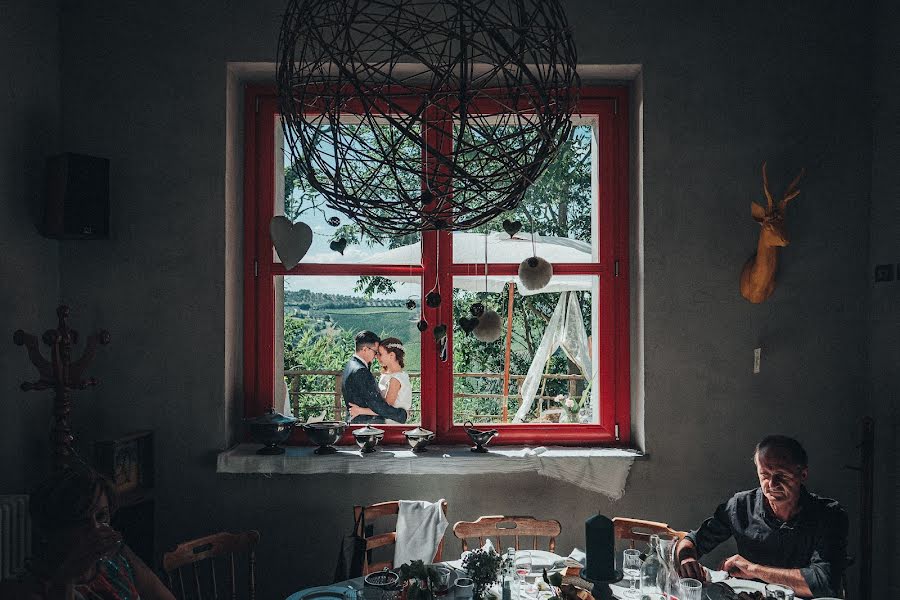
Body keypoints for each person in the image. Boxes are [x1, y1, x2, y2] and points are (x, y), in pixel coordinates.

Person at [675, 435, 848, 598]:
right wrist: (687, 558)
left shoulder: (829, 515)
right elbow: (693, 540)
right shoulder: (741, 506)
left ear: (802, 474)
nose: (772, 484)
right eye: (764, 475)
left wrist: (753, 569)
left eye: (782, 475)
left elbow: (824, 582)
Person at [0, 462, 175, 599]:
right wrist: (66, 580)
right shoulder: (29, 590)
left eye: (101, 517)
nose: (95, 529)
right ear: (52, 530)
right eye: (80, 521)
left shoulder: (117, 558)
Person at [342, 331, 407, 424]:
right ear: (365, 349)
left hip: (358, 420)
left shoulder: (351, 364)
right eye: (375, 352)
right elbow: (377, 405)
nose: (376, 356)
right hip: (366, 424)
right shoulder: (361, 370)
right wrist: (401, 415)